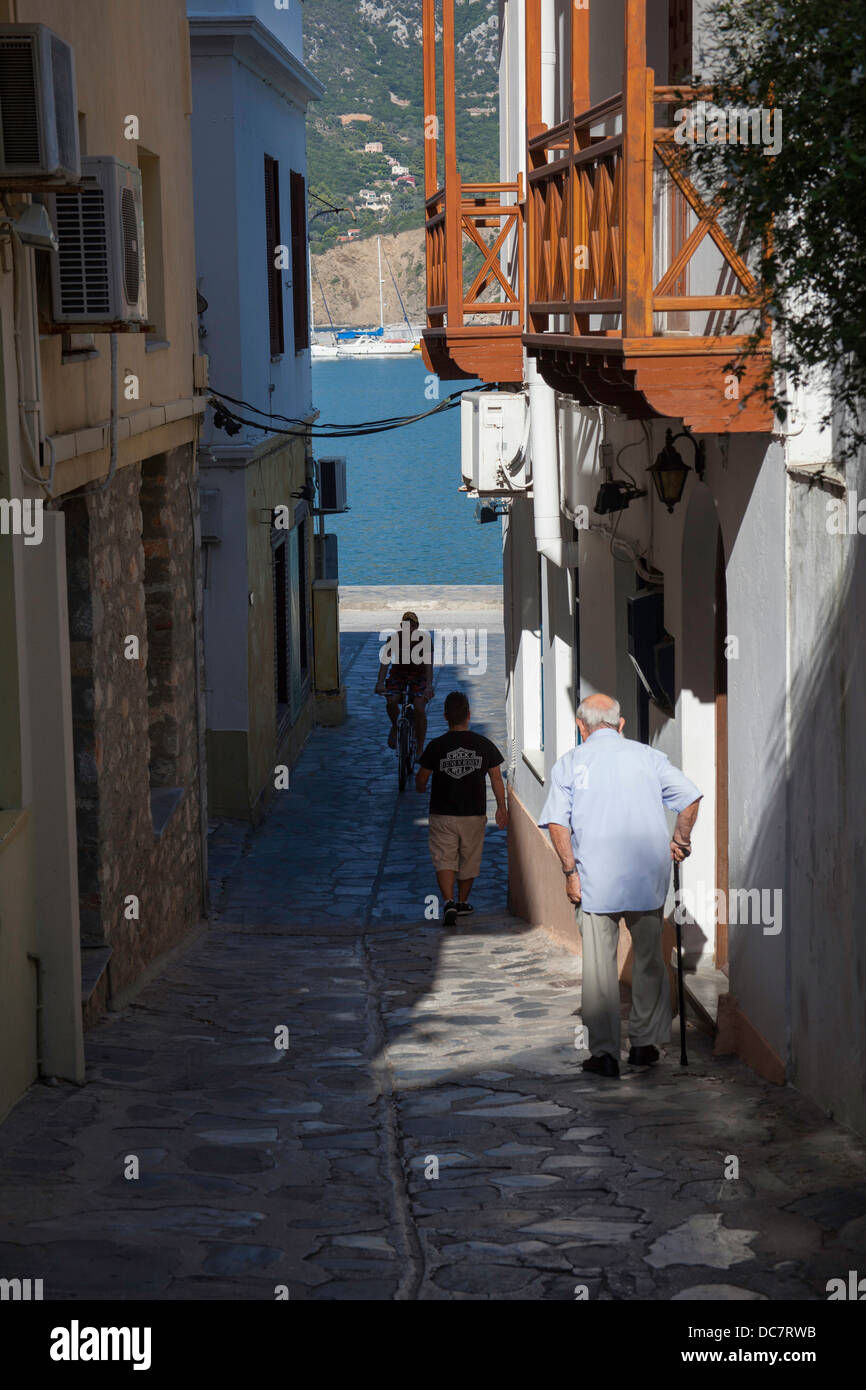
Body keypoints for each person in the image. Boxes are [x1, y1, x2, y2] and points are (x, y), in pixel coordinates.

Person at [539, 693, 702, 1078]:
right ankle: (644, 1046)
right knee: (648, 963)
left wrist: (569, 872)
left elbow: (558, 823)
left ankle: (605, 1054)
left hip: (595, 881)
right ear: (621, 723)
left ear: (581, 727)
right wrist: (680, 841)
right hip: (646, 878)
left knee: (599, 970)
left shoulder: (571, 764)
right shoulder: (647, 757)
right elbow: (690, 797)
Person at [416, 691, 508, 926]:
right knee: (469, 858)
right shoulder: (483, 744)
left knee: (444, 857)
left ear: (445, 716)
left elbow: (422, 778)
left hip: (442, 812)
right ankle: (462, 902)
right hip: (473, 813)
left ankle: (447, 901)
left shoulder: (436, 746)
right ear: (469, 715)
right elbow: (496, 777)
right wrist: (501, 807)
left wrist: (420, 785)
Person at [375, 610, 433, 753]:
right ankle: (395, 726)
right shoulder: (394, 639)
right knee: (391, 701)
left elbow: (428, 665)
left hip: (418, 676)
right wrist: (380, 683)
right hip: (398, 675)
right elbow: (385, 662)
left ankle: (420, 747)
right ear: (402, 626)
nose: (409, 629)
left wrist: (429, 686)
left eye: (412, 625)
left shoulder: (424, 640)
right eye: (406, 625)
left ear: (417, 626)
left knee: (419, 707)